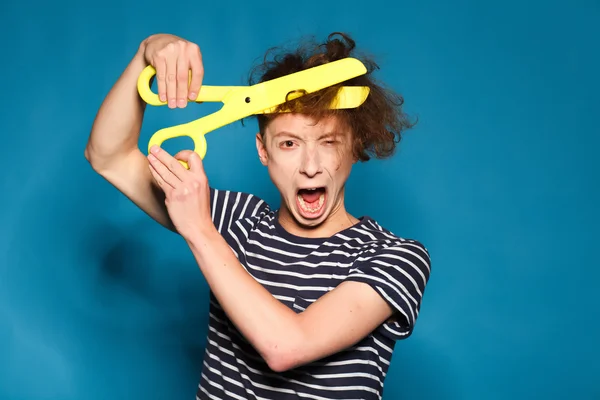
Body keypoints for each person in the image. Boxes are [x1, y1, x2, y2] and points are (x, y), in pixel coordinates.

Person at [85, 31, 431, 400]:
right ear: (263, 150)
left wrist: (199, 231)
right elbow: (109, 156)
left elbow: (287, 347)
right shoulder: (236, 221)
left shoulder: (394, 257)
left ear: (354, 147)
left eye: (328, 142)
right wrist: (146, 53)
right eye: (289, 143)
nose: (310, 167)